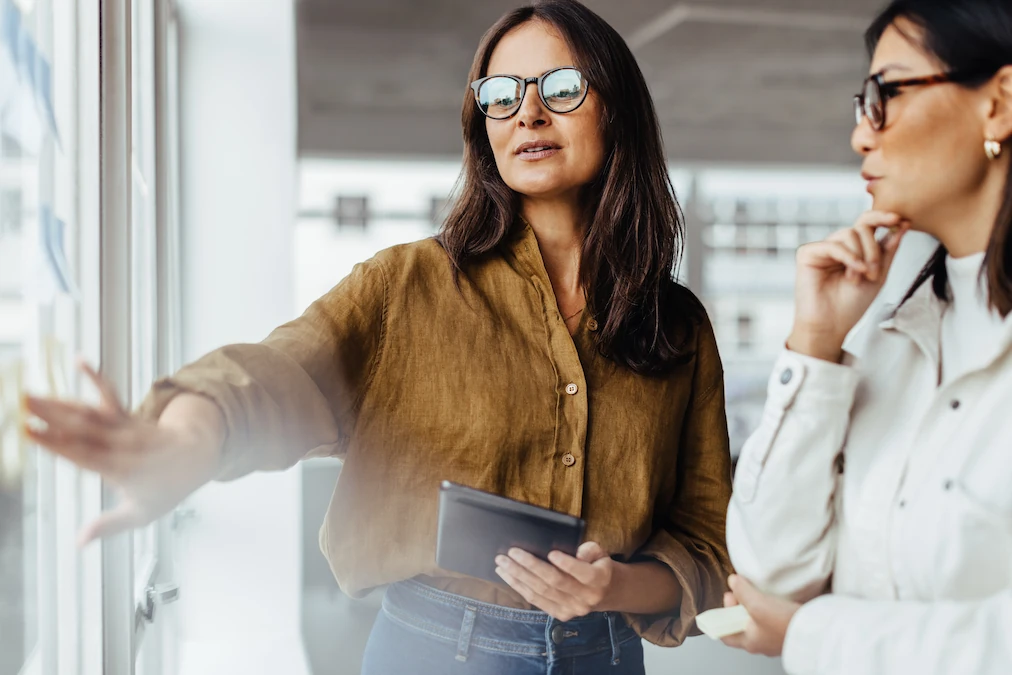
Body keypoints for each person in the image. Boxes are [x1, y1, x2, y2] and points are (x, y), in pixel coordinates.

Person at [24, 1, 734, 672]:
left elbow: (705, 542)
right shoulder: (409, 284)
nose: (528, 112)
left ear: (617, 106)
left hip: (606, 655)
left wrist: (612, 588)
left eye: (561, 86)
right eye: (501, 94)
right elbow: (283, 372)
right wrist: (183, 440)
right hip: (436, 651)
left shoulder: (678, 327)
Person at [718, 1, 1012, 673]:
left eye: (888, 94)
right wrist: (815, 342)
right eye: (863, 101)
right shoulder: (888, 326)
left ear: (999, 103)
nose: (861, 136)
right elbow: (771, 573)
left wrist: (810, 636)